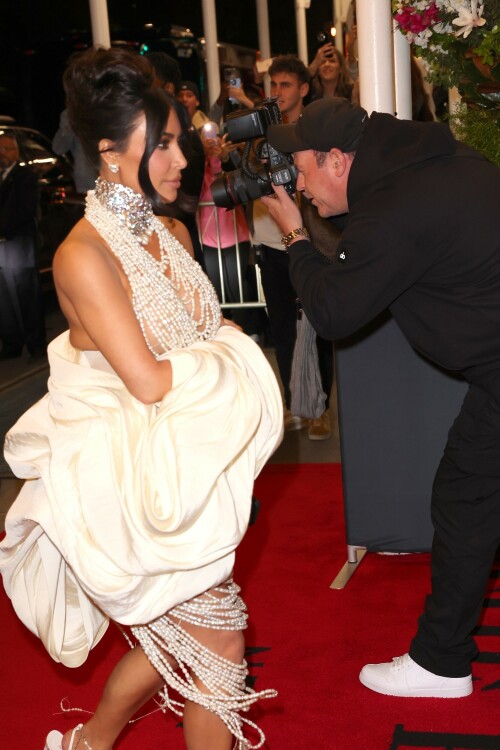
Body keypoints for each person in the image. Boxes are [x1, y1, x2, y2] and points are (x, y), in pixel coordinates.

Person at [0, 47, 283, 750]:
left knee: (175, 646)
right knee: (220, 647)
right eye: (158, 143)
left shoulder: (172, 231)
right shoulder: (81, 255)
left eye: (177, 139)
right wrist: (231, 356)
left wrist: (220, 350)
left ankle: (90, 743)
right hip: (134, 490)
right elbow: (152, 380)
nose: (180, 157)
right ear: (108, 150)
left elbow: (204, 331)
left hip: (196, 471)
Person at [261, 95, 500, 698]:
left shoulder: (394, 207)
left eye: (303, 169)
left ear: (338, 160)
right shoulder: (434, 159)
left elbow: (335, 309)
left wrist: (292, 234)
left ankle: (441, 665)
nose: (301, 185)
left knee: (465, 498)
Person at [252, 54, 334, 439]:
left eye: (286, 84)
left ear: (303, 88)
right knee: (282, 329)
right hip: (272, 243)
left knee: (320, 325)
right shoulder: (258, 134)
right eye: (274, 85)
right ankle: (292, 404)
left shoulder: (315, 131)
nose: (278, 92)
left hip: (313, 242)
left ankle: (321, 407)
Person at [0, 130, 46, 360]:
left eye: (6, 149)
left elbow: (24, 210)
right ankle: (11, 343)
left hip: (17, 241)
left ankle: (36, 344)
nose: (2, 154)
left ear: (16, 151)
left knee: (27, 295)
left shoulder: (25, 176)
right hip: (2, 244)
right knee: (4, 298)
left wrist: (4, 229)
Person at [52, 108, 97, 193]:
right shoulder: (70, 114)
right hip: (85, 184)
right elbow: (58, 149)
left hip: (112, 181)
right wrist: (68, 126)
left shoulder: (109, 109)